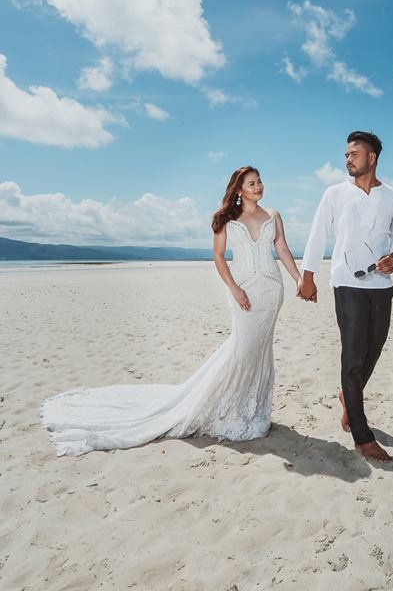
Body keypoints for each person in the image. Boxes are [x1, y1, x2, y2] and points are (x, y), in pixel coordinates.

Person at [41, 166, 303, 456]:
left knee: (260, 350)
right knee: (241, 349)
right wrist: (234, 288)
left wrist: (299, 278)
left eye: (260, 182)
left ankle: (251, 410)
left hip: (271, 291)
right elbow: (218, 256)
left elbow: (282, 250)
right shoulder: (226, 219)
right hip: (244, 291)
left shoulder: (274, 216)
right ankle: (222, 408)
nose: (258, 186)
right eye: (251, 183)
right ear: (239, 190)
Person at [299, 131, 393, 462]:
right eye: (346, 154)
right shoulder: (334, 194)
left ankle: (349, 397)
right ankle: (362, 436)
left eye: (353, 154)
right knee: (353, 356)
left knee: (372, 352)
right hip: (346, 283)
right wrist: (308, 275)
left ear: (371, 158)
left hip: (382, 287)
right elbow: (318, 233)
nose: (347, 159)